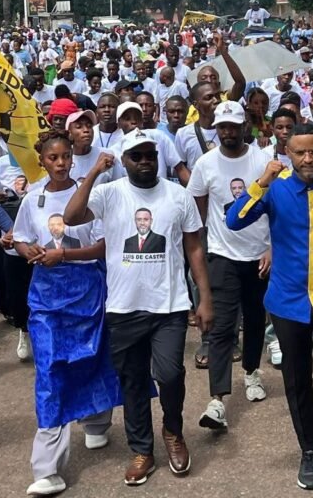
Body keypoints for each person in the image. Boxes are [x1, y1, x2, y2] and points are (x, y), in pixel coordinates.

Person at [226, 123, 313, 498]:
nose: (307, 159)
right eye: (299, 153)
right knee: (297, 381)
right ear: (286, 154)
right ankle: (309, 451)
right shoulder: (276, 190)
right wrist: (262, 181)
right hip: (288, 302)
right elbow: (234, 220)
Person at [63, 129, 211, 486]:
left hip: (170, 305)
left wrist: (205, 297)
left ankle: (173, 431)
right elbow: (71, 216)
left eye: (150, 155)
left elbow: (194, 248)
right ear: (125, 160)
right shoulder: (108, 193)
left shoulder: (178, 195)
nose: (145, 161)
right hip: (124, 307)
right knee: (132, 382)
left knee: (170, 374)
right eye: (137, 156)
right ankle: (141, 449)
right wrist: (96, 171)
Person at [7, 131, 121, 497]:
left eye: (65, 157)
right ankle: (47, 467)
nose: (59, 163)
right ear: (41, 160)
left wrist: (65, 256)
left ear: (72, 157)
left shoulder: (92, 194)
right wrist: (25, 250)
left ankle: (96, 421)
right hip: (46, 299)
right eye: (52, 158)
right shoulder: (32, 198)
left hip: (88, 291)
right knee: (51, 371)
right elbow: (21, 236)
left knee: (92, 358)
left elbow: (104, 246)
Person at [188, 101, 272, 432]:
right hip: (222, 254)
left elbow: (277, 207)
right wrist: (203, 244)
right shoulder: (206, 163)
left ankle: (252, 371)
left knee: (253, 320)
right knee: (222, 327)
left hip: (259, 253)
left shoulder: (263, 160)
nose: (228, 132)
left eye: (234, 126)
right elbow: (196, 206)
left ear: (244, 126)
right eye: (222, 127)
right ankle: (217, 400)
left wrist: (272, 248)